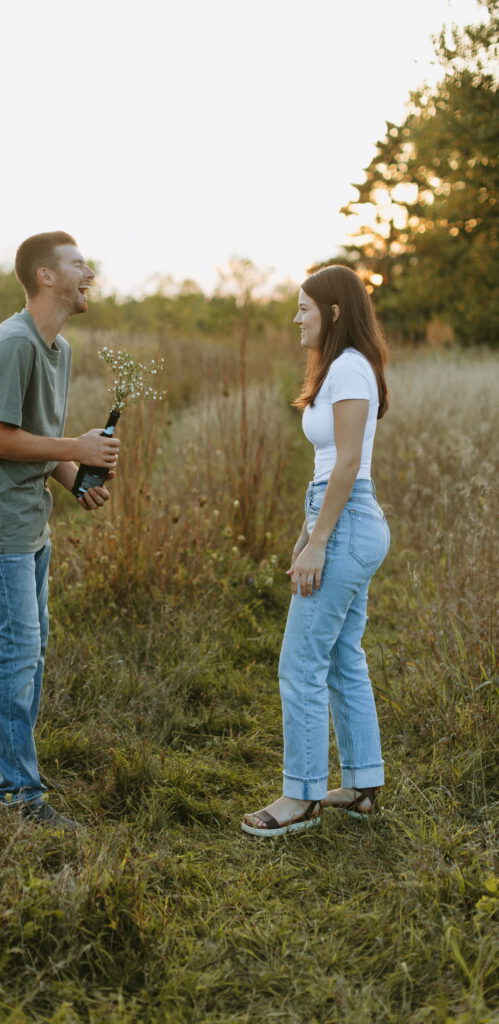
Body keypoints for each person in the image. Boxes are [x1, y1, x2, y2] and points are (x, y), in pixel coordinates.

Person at [0, 231, 120, 829]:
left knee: (30, 648)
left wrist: (74, 477)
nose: (89, 270)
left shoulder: (59, 349)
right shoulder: (14, 345)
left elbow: (36, 438)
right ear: (46, 276)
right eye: (77, 263)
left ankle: (2, 759)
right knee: (17, 654)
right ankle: (16, 796)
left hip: (30, 526)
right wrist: (75, 444)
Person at [242, 265, 390, 837]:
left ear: (331, 312)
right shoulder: (339, 370)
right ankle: (360, 785)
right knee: (342, 656)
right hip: (340, 516)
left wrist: (322, 539)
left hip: (349, 520)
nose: (295, 318)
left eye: (304, 308)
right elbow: (330, 463)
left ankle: (298, 798)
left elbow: (350, 463)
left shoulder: (351, 367)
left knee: (300, 662)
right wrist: (309, 530)